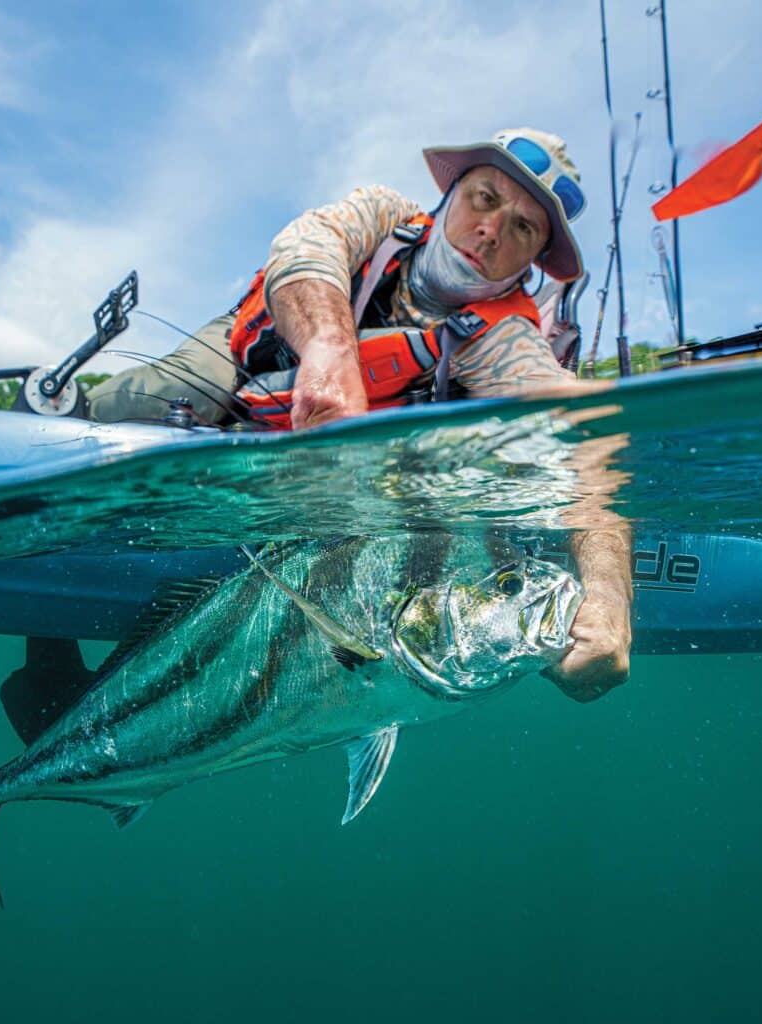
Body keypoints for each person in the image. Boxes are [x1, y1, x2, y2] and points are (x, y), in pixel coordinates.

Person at [88, 128, 632, 702]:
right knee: (142, 399)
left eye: (524, 227)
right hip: (244, 372)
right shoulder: (382, 213)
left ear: (535, 261)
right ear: (452, 194)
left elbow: (583, 449)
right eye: (486, 199)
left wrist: (609, 598)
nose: (491, 231)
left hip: (336, 489)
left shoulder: (507, 341)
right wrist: (328, 345)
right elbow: (307, 245)